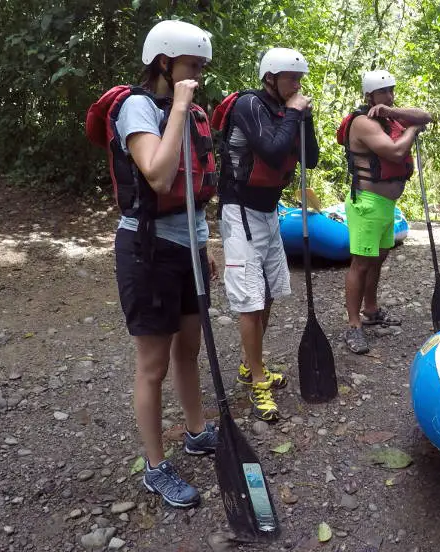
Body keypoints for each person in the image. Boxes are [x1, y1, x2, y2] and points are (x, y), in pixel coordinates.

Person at [85, 19, 219, 508]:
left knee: (189, 349)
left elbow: (195, 196)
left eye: (202, 68)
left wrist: (207, 248)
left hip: (189, 248)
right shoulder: (137, 108)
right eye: (191, 66)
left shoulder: (189, 111)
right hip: (148, 251)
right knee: (153, 364)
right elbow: (160, 176)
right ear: (163, 62)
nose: (197, 76)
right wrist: (180, 107)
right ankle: (156, 467)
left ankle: (196, 430)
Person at [212, 47, 319, 422]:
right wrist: (293, 113)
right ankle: (257, 380)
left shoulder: (289, 110)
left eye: (300, 78)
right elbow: (272, 152)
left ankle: (249, 363)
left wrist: (305, 119)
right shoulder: (249, 105)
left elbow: (311, 158)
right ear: (270, 77)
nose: (298, 84)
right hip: (239, 209)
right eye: (292, 78)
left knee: (270, 292)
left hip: (269, 209)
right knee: (251, 299)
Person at [336, 70, 432, 354]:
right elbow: (394, 152)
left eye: (391, 90)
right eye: (383, 92)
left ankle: (372, 310)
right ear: (369, 96)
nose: (388, 95)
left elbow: (425, 115)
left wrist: (395, 111)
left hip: (386, 205)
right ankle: (353, 326)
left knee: (377, 261)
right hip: (367, 203)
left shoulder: (389, 116)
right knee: (361, 263)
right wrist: (412, 130)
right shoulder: (363, 123)